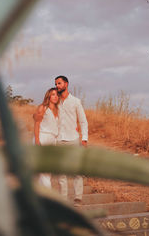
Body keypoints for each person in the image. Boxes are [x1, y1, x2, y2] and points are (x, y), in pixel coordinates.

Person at [54, 75, 88, 205]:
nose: (57, 86)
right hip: (58, 140)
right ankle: (63, 200)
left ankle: (78, 197)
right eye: (56, 84)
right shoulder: (55, 101)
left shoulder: (76, 101)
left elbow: (83, 121)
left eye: (59, 83)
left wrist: (84, 139)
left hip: (73, 139)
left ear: (66, 84)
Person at [33, 87, 60, 189]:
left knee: (48, 171)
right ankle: (49, 194)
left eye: (57, 95)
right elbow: (37, 124)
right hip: (42, 137)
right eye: (53, 94)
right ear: (48, 96)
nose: (55, 97)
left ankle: (41, 195)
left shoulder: (58, 109)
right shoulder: (43, 108)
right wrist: (37, 140)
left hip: (52, 140)